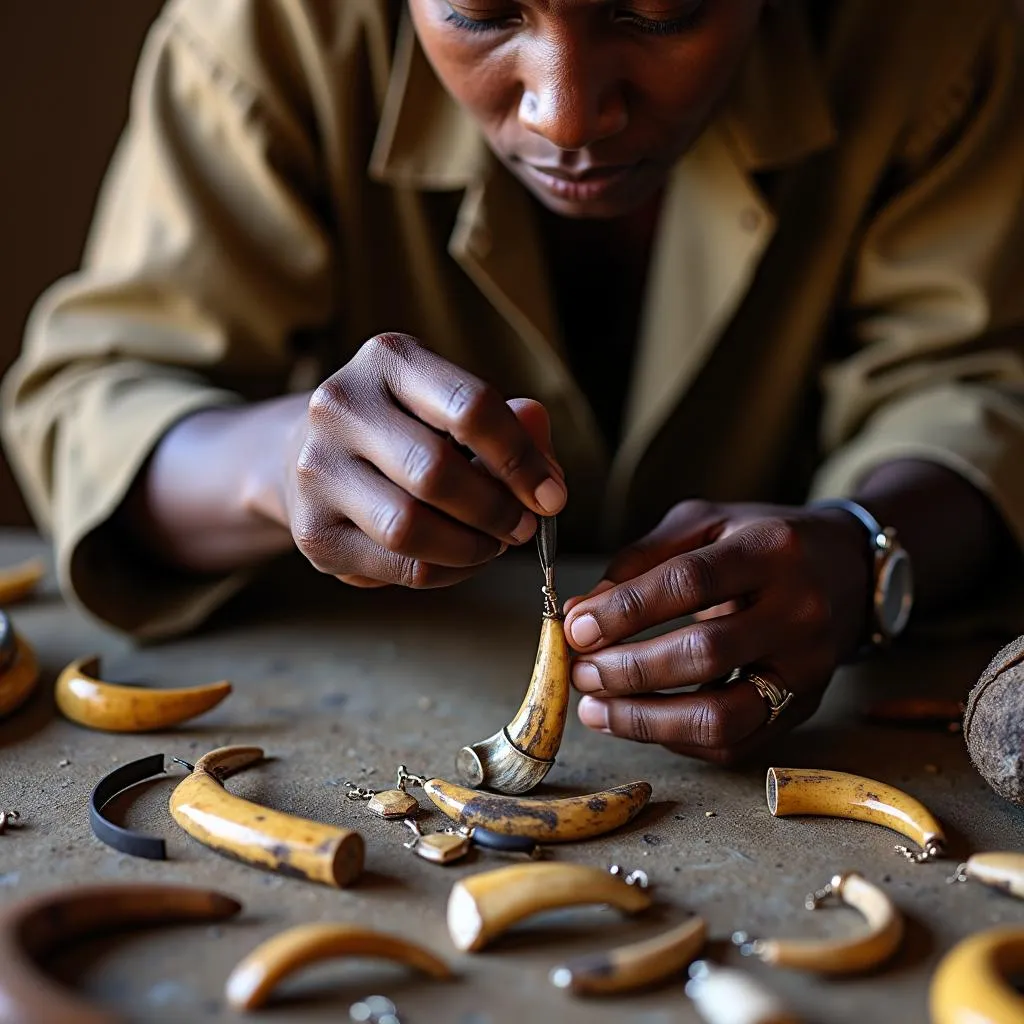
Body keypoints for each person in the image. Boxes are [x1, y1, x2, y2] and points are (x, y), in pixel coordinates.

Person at [3, 0, 1024, 765]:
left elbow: (978, 383)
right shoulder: (273, 28)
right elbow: (94, 397)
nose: (566, 111)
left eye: (659, 10)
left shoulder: (930, 32)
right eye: (482, 12)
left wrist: (864, 547)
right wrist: (275, 464)